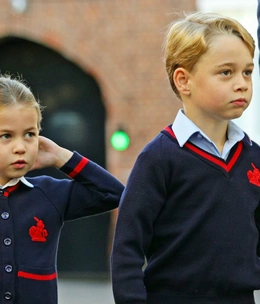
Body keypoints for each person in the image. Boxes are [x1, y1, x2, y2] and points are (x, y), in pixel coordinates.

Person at [111, 11, 259, 304]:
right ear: (183, 81)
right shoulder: (159, 158)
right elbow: (127, 249)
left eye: (248, 72)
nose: (242, 83)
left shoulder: (255, 156)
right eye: (226, 72)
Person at [0, 75, 124, 304]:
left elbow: (113, 194)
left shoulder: (48, 193)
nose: (20, 147)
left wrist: (60, 157)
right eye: (6, 136)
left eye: (29, 134)